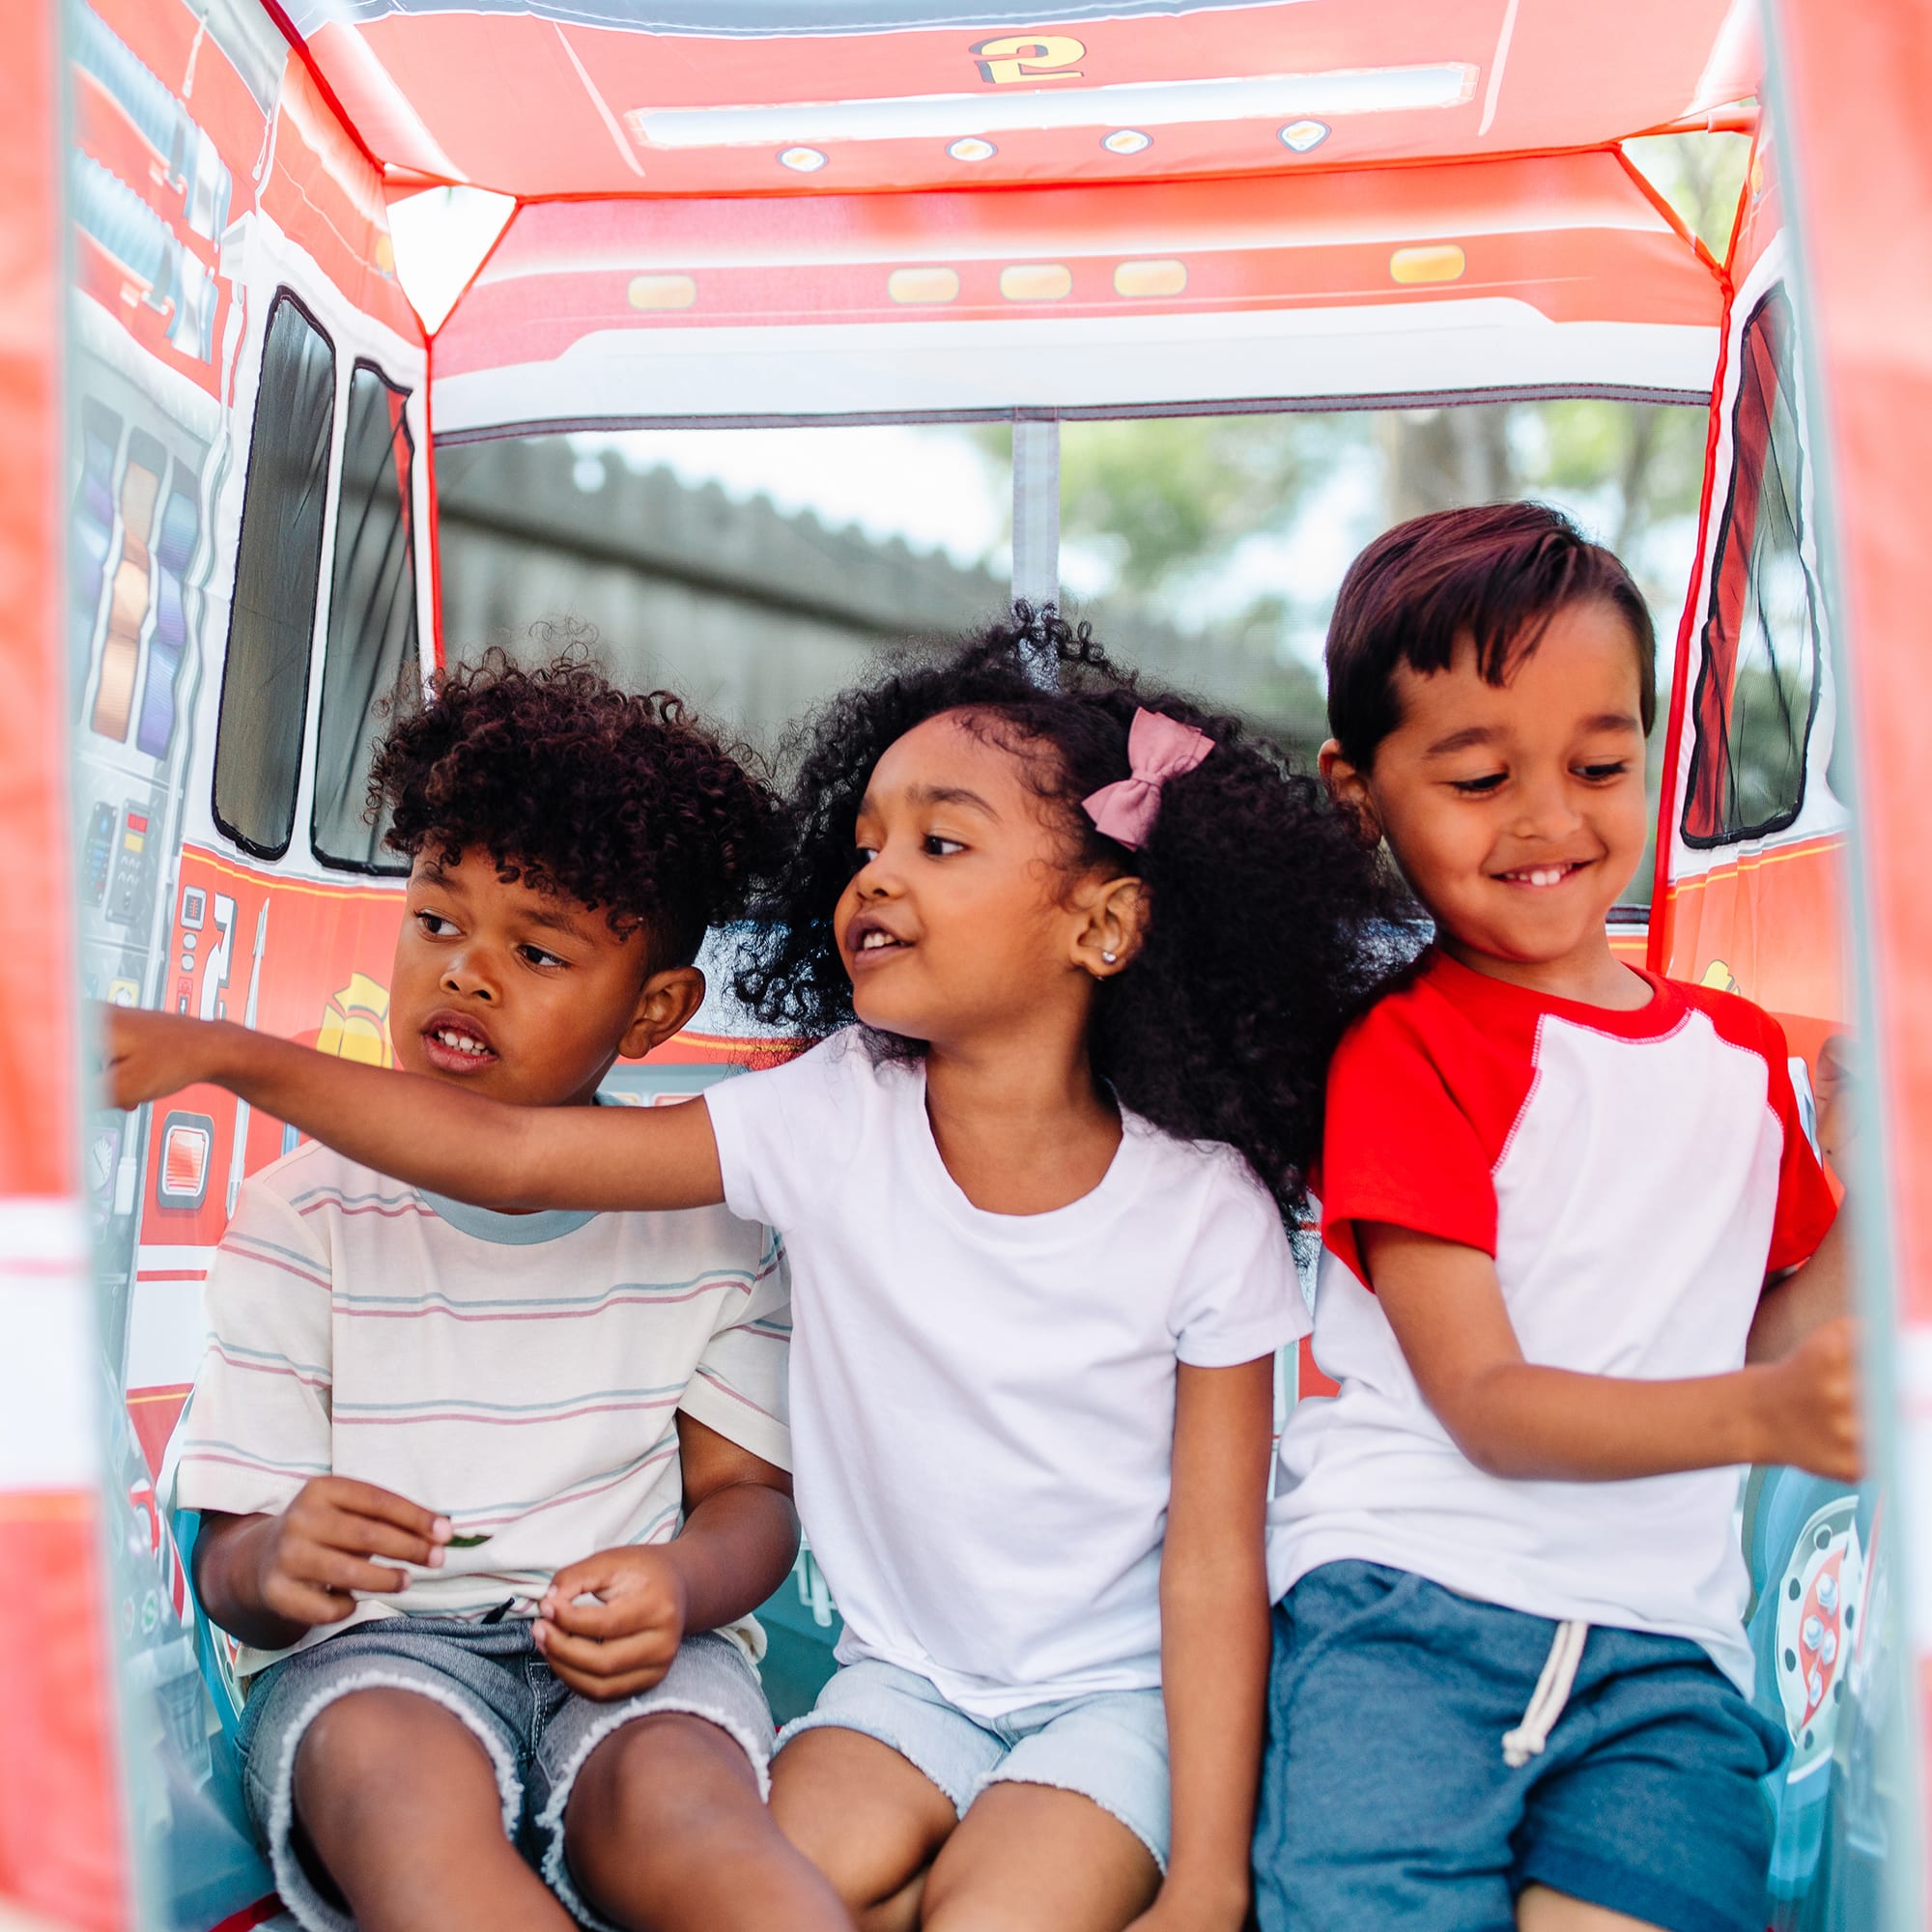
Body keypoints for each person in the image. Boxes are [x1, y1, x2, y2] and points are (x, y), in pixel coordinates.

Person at [107, 611, 1393, 1932]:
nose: (875, 879)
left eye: (938, 845)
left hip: (1108, 1707)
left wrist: (1211, 1880)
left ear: (1105, 923)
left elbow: (1216, 1562)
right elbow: (514, 1161)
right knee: (757, 1888)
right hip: (892, 1692)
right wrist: (238, 1060)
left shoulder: (1201, 1214)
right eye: (867, 846)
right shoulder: (834, 1116)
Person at [168, 653, 851, 1932]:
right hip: (373, 1661)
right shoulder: (301, 1214)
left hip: (639, 1661)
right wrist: (280, 1555)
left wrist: (682, 1589)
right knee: (394, 1788)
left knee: (692, 1813)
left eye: (538, 951)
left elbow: (749, 1503)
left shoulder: (709, 1226)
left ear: (654, 1011)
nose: (468, 974)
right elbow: (229, 1571)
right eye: (438, 921)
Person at [1253, 503, 1861, 1932]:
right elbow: (1488, 1403)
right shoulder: (1406, 1055)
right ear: (1362, 792)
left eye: (1601, 764)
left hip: (1667, 1653)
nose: (1549, 819)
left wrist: (1898, 1180)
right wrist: (1769, 1422)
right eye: (1477, 778)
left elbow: (1780, 1337)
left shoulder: (1734, 1056)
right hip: (1408, 1616)